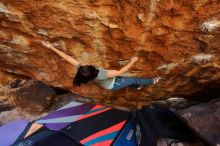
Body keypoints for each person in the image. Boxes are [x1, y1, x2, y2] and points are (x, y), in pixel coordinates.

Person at [41, 41, 161, 91]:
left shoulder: (82, 71)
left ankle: (137, 86)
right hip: (112, 84)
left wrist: (51, 47)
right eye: (86, 64)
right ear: (92, 70)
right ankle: (152, 81)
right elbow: (120, 71)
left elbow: (67, 58)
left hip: (110, 80)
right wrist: (133, 61)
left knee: (128, 82)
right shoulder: (102, 74)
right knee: (131, 79)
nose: (84, 62)